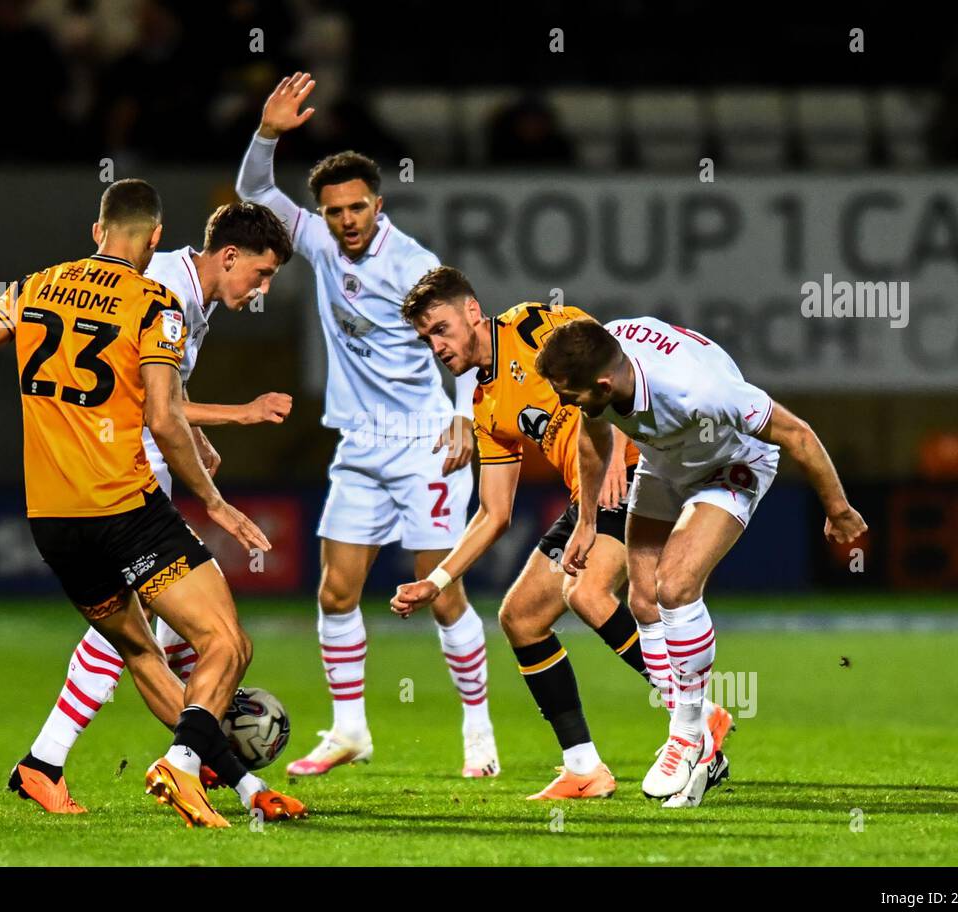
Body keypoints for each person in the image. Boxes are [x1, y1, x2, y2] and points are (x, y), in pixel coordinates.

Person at [0, 179, 306, 827]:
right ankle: (179, 766)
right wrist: (215, 497)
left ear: (96, 231)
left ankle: (218, 783)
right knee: (225, 643)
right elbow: (160, 414)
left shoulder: (35, 285)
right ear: (157, 238)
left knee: (145, 653)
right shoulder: (157, 300)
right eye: (263, 275)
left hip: (53, 519)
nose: (262, 289)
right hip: (124, 503)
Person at [237, 73, 497, 777]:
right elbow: (255, 194)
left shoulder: (414, 266)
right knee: (335, 591)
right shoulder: (320, 246)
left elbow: (468, 345)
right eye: (334, 211)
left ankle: (479, 730)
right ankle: (350, 730)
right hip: (359, 446)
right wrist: (268, 132)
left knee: (440, 592)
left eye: (358, 208)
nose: (347, 221)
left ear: (378, 206)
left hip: (424, 444)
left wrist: (469, 420)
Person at [391, 267, 733, 801]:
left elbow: (609, 360)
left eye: (440, 329)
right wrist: (436, 581)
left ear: (472, 312)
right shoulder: (485, 406)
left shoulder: (529, 327)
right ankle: (584, 768)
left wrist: (618, 446)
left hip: (640, 470)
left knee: (588, 591)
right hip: (588, 498)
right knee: (521, 618)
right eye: (425, 338)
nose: (435, 345)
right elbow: (494, 513)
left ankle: (693, 715)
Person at [536, 315, 867, 807]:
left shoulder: (701, 392)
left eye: (570, 393)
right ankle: (700, 749)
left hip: (732, 466)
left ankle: (689, 737)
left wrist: (837, 509)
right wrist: (587, 521)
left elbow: (798, 434)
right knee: (644, 601)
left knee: (675, 585)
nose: (565, 402)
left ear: (603, 383)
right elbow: (593, 435)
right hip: (665, 462)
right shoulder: (603, 355)